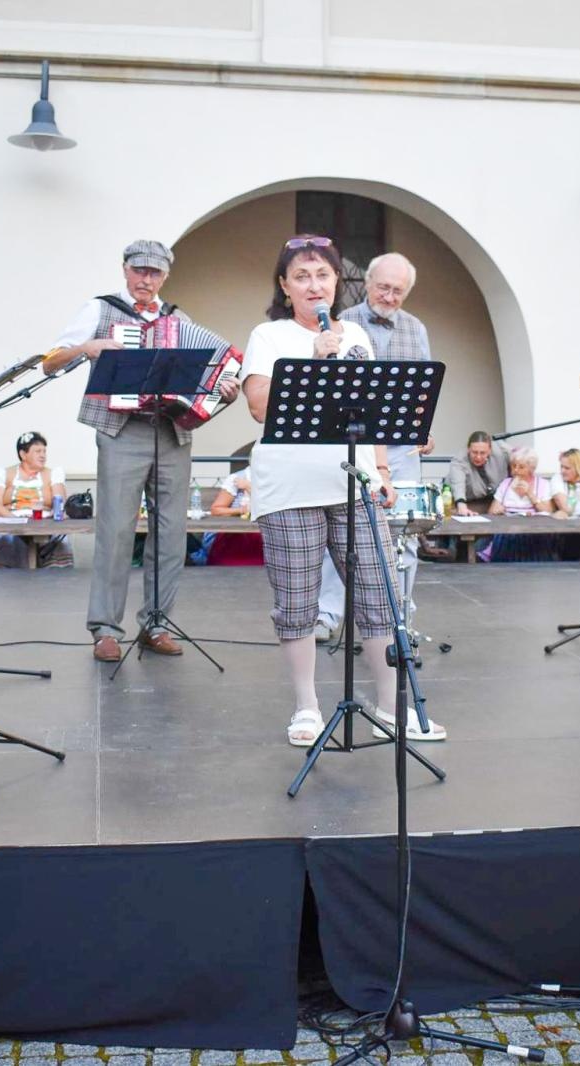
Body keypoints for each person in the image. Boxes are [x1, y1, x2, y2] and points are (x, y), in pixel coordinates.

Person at [241, 235, 446, 746]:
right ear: (286, 287)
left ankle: (389, 707)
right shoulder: (268, 336)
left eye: (324, 275)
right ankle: (306, 707)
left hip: (353, 483)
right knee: (298, 602)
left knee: (381, 595)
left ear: (337, 283)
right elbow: (259, 408)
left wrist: (381, 470)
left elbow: (370, 410)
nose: (315, 285)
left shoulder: (356, 332)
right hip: (289, 489)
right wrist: (313, 359)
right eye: (303, 277)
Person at [40, 239, 240, 662]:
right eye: (139, 270)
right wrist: (88, 349)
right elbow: (50, 361)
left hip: (171, 432)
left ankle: (157, 623)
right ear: (125, 270)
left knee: (171, 533)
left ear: (165, 275)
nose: (146, 279)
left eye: (154, 272)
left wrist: (224, 391)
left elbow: (204, 380)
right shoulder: (100, 310)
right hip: (121, 431)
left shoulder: (177, 319)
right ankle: (105, 629)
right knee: (115, 529)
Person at [317, 253, 436, 639]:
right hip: (350, 442)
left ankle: (400, 618)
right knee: (341, 529)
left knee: (405, 532)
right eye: (383, 287)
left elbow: (422, 386)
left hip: (400, 447)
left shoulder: (416, 328)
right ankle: (329, 615)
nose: (388, 296)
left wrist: (423, 424)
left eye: (398, 290)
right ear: (367, 284)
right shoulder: (344, 322)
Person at [0, 430, 73, 569]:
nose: (43, 455)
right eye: (37, 451)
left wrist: (54, 516)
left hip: (44, 521)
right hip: (11, 520)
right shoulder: (4, 473)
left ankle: (55, 578)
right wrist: (17, 521)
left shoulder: (53, 474)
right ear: (23, 454)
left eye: (44, 451)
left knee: (59, 538)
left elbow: (59, 502)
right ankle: (3, 581)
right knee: (3, 538)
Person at [481, 447, 560, 563]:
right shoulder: (506, 484)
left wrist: (530, 494)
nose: (516, 470)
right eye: (513, 466)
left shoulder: (543, 484)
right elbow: (491, 511)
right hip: (507, 532)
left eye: (521, 467)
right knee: (505, 536)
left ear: (531, 469)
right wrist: (498, 510)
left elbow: (549, 511)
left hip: (534, 531)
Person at [203, 461, 265, 566]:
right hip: (236, 534)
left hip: (263, 533)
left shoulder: (276, 479)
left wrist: (249, 487)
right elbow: (216, 510)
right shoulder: (238, 477)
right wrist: (240, 510)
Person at [446, 431, 510, 515]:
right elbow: (458, 484)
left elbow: (522, 460)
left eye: (482, 453)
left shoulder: (503, 451)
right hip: (467, 501)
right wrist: (461, 506)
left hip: (494, 499)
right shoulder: (459, 460)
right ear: (468, 449)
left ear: (490, 450)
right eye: (474, 452)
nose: (478, 457)